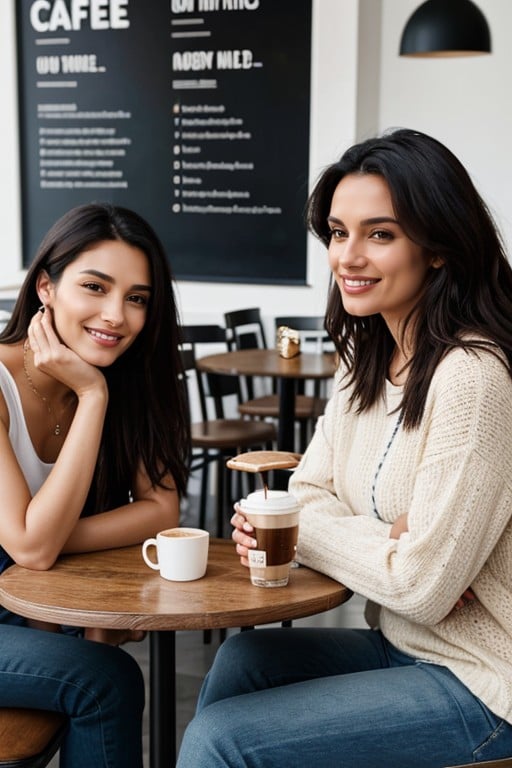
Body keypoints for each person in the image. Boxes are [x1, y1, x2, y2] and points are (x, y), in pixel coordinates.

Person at [177, 128, 512, 767]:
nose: (348, 256)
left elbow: (419, 586)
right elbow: (308, 492)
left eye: (379, 234)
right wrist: (390, 536)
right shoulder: (365, 356)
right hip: (404, 644)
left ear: (438, 248)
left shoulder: (472, 376)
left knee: (223, 742)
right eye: (338, 232)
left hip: (486, 682)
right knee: (245, 657)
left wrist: (308, 534)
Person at [0, 202, 190, 767]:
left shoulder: (123, 378)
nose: (116, 315)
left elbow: (161, 509)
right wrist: (91, 396)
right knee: (103, 681)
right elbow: (31, 545)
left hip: (27, 605)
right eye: (95, 286)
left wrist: (54, 551)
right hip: (20, 608)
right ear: (45, 288)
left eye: (136, 298)